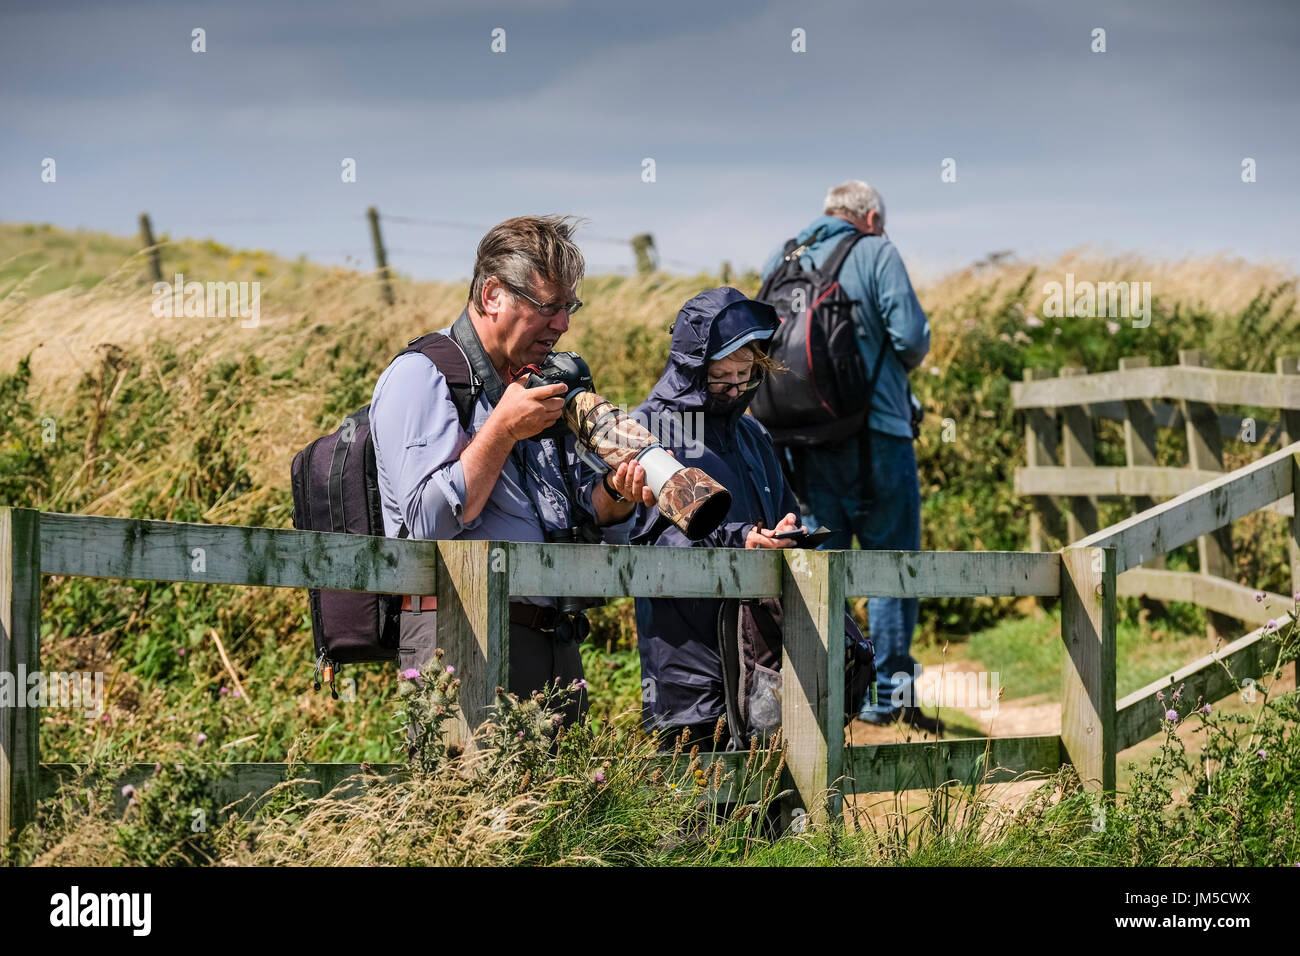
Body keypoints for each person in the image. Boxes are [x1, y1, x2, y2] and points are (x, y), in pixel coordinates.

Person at [369, 215, 658, 723]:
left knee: (565, 803)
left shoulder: (532, 385)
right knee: (466, 801)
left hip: (553, 641)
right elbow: (425, 524)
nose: (563, 324)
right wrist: (501, 431)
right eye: (548, 307)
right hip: (458, 640)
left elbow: (560, 514)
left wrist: (615, 499)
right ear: (492, 294)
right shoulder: (421, 377)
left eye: (570, 307)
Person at [760, 180, 937, 731]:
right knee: (891, 564)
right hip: (876, 432)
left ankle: (825, 695)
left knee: (818, 566)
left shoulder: (783, 254)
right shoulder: (876, 251)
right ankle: (888, 699)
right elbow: (911, 339)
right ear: (872, 217)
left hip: (797, 440)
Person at [630, 287, 805, 750]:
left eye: (744, 374)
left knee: (771, 797)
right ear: (691, 369)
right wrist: (740, 540)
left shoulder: (752, 433)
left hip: (763, 650)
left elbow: (786, 507)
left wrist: (784, 532)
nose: (733, 388)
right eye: (720, 375)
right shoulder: (647, 430)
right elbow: (651, 537)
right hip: (686, 656)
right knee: (695, 803)